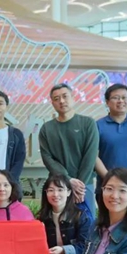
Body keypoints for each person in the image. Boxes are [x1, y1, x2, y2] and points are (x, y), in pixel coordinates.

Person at [39, 83, 99, 218]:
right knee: (57, 222)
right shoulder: (47, 129)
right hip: (58, 186)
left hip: (84, 185)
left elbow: (90, 155)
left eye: (65, 96)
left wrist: (79, 186)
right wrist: (68, 180)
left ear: (73, 98)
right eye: (56, 98)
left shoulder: (88, 123)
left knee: (87, 222)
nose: (61, 101)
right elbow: (47, 158)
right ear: (52, 103)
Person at [37, 174, 91, 254]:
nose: (55, 194)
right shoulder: (41, 219)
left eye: (60, 190)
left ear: (69, 192)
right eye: (51, 190)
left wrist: (63, 250)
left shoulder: (81, 216)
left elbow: (86, 248)